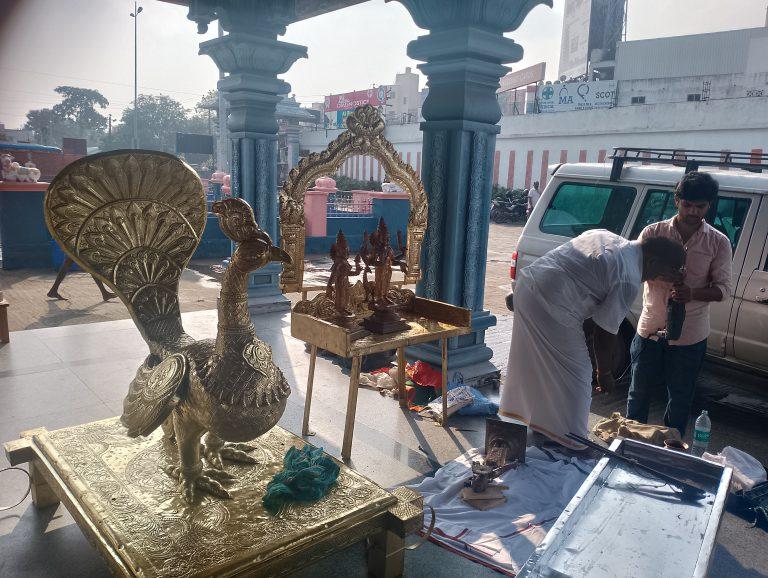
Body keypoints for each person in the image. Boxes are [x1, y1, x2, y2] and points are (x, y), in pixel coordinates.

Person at [500, 229, 686, 449]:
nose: (673, 276)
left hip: (530, 286)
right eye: (672, 270)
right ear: (654, 262)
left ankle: (541, 426)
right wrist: (604, 372)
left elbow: (579, 280)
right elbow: (605, 332)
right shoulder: (629, 277)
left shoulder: (608, 237)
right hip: (550, 305)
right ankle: (572, 441)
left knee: (541, 366)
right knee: (579, 376)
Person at [626, 172, 732, 436]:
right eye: (687, 205)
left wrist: (692, 293)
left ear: (709, 205)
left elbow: (724, 290)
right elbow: (631, 272)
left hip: (690, 336)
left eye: (700, 206)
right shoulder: (653, 232)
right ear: (677, 201)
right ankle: (627, 448)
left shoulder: (718, 242)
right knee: (638, 393)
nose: (693, 211)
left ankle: (671, 453)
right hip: (649, 328)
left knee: (681, 398)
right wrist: (659, 274)